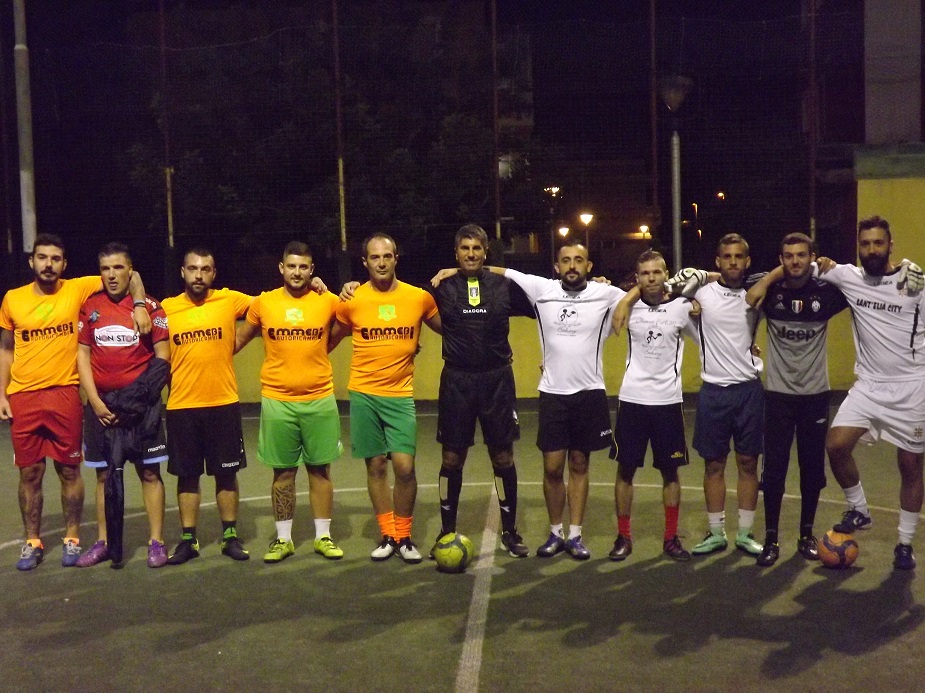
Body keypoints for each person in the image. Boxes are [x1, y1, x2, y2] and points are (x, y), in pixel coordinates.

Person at [435, 242, 624, 560]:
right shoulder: (541, 289)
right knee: (550, 467)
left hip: (585, 392)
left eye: (579, 260)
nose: (572, 265)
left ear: (589, 265)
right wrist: (457, 269)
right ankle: (550, 532)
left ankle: (567, 535)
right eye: (566, 260)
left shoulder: (605, 293)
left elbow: (640, 295)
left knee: (570, 463)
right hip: (543, 391)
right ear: (556, 266)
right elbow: (503, 270)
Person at [758, 216, 925, 570]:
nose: (872, 249)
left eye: (878, 243)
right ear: (858, 247)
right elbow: (796, 267)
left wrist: (914, 270)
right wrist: (763, 279)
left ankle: (905, 543)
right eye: (865, 244)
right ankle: (859, 509)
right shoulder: (848, 277)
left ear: (890, 245)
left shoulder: (915, 283)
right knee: (835, 445)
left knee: (910, 465)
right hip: (869, 385)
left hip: (912, 386)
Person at [0, 233, 150, 571]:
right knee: (30, 472)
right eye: (42, 257)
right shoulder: (12, 299)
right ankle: (32, 541)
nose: (48, 264)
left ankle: (72, 537)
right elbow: (6, 349)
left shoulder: (78, 289)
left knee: (69, 470)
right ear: (32, 261)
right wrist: (2, 393)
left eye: (55, 259)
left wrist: (140, 304)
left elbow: (133, 275)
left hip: (65, 394)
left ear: (64, 264)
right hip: (24, 396)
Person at [330, 234, 442, 563]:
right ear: (365, 262)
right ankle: (390, 535)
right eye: (375, 257)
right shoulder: (352, 300)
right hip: (364, 394)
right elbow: (326, 341)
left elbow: (452, 329)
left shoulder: (419, 298)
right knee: (377, 466)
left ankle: (405, 536)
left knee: (405, 468)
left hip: (400, 395)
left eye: (387, 256)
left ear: (396, 258)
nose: (381, 262)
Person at [235, 241, 346, 563]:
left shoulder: (328, 301)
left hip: (319, 398)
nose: (297, 272)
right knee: (283, 473)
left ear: (312, 270)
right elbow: (239, 340)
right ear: (282, 268)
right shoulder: (264, 303)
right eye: (292, 266)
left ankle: (323, 537)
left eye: (303, 267)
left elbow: (353, 319)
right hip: (277, 400)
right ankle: (283, 540)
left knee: (320, 470)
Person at [743, 233, 848, 567]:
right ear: (781, 259)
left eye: (802, 255)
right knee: (774, 471)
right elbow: (745, 289)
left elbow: (860, 285)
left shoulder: (826, 293)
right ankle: (771, 538)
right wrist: (771, 278)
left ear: (812, 257)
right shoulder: (770, 291)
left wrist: (829, 268)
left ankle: (806, 535)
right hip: (778, 397)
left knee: (811, 470)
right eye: (788, 256)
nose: (795, 261)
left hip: (815, 396)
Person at [429, 224, 532, 558]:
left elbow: (549, 297)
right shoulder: (441, 287)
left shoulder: (504, 286)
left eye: (476, 248)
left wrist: (598, 283)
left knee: (503, 457)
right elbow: (399, 298)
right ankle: (446, 532)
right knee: (451, 458)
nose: (471, 254)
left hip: (497, 381)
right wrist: (352, 286)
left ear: (486, 252)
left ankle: (510, 531)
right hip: (457, 382)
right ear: (455, 252)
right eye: (465, 248)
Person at [75, 242, 171, 568]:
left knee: (150, 473)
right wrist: (94, 400)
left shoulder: (152, 307)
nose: (112, 275)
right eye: (106, 269)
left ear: (131, 271)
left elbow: (162, 361)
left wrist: (135, 402)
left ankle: (156, 541)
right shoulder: (90, 307)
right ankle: (104, 541)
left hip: (142, 409)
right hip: (101, 409)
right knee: (103, 475)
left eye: (118, 267)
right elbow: (83, 356)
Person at [161, 247, 253, 564]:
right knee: (187, 475)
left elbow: (270, 305)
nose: (198, 275)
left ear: (213, 273)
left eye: (205, 269)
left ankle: (230, 537)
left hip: (222, 403)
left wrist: (316, 283)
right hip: (181, 405)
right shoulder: (167, 308)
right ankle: (189, 540)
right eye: (192, 269)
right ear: (182, 272)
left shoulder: (229, 300)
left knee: (226, 474)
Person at [680, 233, 765, 556]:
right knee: (713, 465)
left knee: (748, 463)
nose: (733, 262)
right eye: (726, 257)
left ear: (747, 261)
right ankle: (716, 533)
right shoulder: (702, 292)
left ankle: (745, 533)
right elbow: (666, 286)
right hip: (713, 391)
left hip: (748, 390)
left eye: (738, 256)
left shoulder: (757, 294)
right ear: (718, 261)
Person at [609, 250, 696, 563]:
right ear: (637, 278)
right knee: (625, 470)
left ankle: (671, 538)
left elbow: (710, 337)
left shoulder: (683, 308)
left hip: (667, 402)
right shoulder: (626, 306)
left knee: (670, 472)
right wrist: (626, 298)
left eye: (656, 272)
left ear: (666, 274)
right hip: (632, 400)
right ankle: (624, 536)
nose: (651, 278)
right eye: (644, 273)